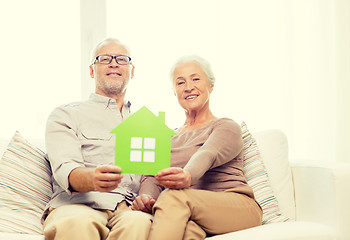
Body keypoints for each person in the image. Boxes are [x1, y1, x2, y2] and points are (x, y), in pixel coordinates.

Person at [131, 55, 262, 240]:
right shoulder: (165, 138)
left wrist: (188, 175)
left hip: (238, 206)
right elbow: (151, 176)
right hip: (192, 212)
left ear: (211, 86)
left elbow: (208, 153)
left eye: (196, 79)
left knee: (172, 197)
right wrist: (146, 198)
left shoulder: (226, 126)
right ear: (174, 92)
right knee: (188, 232)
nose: (188, 87)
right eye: (180, 82)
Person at [42, 38, 152, 240]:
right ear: (92, 71)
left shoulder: (146, 124)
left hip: (128, 211)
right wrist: (93, 178)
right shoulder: (65, 114)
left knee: (142, 223)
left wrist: (147, 199)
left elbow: (150, 176)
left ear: (132, 71)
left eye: (121, 59)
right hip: (76, 206)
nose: (113, 63)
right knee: (78, 223)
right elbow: (65, 168)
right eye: (104, 59)